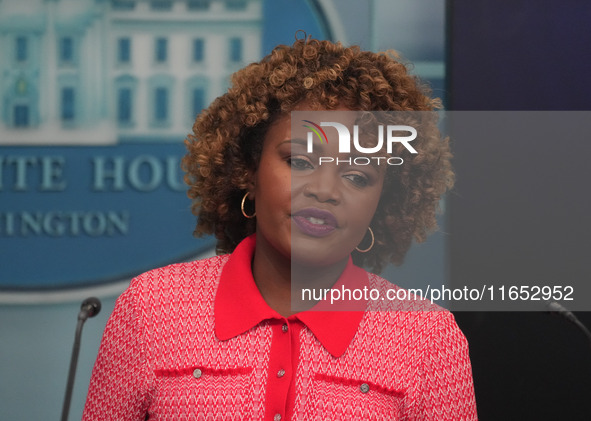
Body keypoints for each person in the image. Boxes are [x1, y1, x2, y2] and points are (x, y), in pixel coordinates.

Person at [82, 36, 477, 420]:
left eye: (357, 176)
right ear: (247, 171)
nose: (324, 191)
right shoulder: (151, 309)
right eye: (300, 161)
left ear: (382, 203)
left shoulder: (428, 340)